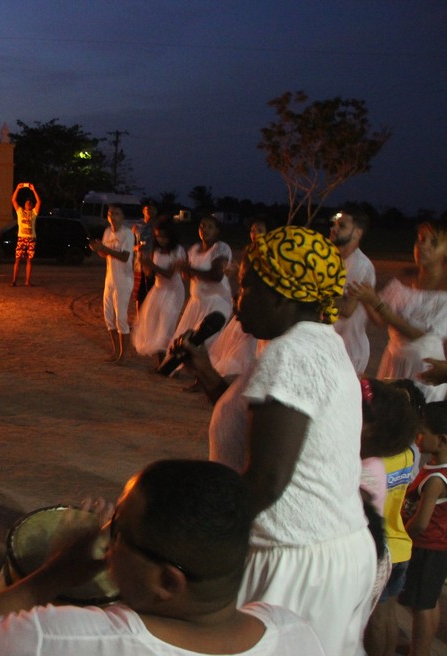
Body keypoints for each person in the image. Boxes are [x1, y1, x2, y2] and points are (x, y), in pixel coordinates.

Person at [179, 226, 375, 656]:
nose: (237, 296)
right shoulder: (314, 343)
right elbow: (263, 430)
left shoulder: (292, 355)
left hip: (295, 558)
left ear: (284, 296)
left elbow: (267, 478)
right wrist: (209, 376)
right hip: (327, 549)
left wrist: (190, 537)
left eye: (247, 286)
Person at [0, 459, 325, 656]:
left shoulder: (62, 637)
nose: (105, 544)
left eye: (117, 533)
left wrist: (54, 574)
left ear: (168, 581)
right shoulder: (296, 634)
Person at [349, 220, 447, 402]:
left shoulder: (444, 291)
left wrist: (375, 302)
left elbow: (417, 333)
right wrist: (363, 297)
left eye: (433, 243)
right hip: (393, 359)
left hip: (425, 367)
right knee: (387, 417)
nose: (422, 246)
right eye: (420, 239)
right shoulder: (404, 278)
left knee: (417, 420)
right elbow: (380, 321)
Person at [362, 379, 424, 656]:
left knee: (374, 623)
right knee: (387, 619)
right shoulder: (407, 455)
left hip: (379, 548)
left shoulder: (372, 464)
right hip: (400, 545)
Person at [399, 402, 447, 656]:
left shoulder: (437, 480)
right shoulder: (438, 470)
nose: (418, 437)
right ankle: (421, 647)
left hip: (428, 548)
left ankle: (419, 651)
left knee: (422, 606)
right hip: (436, 549)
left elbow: (421, 521)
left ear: (441, 440)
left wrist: (403, 534)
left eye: (422, 432)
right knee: (429, 601)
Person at [207, 218, 269, 379]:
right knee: (228, 347)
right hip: (245, 304)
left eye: (260, 231)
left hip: (259, 308)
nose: (255, 235)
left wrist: (238, 275)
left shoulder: (269, 256)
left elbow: (263, 282)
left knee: (244, 351)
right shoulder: (248, 252)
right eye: (253, 231)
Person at [170, 215, 233, 351]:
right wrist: (182, 268)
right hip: (196, 302)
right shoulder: (194, 249)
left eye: (210, 227)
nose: (205, 230)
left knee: (206, 344)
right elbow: (188, 276)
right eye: (202, 226)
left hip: (216, 302)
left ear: (217, 231)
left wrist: (190, 269)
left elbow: (216, 276)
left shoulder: (221, 248)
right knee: (183, 340)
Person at [132, 220, 186, 361]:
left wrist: (152, 266)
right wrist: (144, 264)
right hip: (158, 289)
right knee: (152, 324)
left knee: (166, 327)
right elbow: (150, 274)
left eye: (164, 236)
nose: (161, 239)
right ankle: (162, 361)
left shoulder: (178, 250)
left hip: (173, 291)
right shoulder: (155, 250)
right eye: (158, 236)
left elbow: (170, 274)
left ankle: (170, 361)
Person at [331, 210, 376, 375]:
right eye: (335, 224)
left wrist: (313, 292)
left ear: (357, 233)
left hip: (349, 349)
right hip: (332, 346)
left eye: (341, 226)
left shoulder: (360, 265)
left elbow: (348, 309)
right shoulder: (334, 259)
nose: (334, 229)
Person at [89, 204, 134, 363]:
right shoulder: (108, 232)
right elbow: (104, 253)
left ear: (122, 216)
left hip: (123, 280)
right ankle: (116, 352)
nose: (112, 216)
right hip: (110, 279)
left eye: (116, 213)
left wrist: (104, 249)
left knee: (121, 318)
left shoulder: (127, 234)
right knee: (109, 318)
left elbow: (124, 257)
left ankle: (123, 355)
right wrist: (98, 249)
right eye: (110, 213)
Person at [10, 182, 40, 287]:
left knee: (29, 260)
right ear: (24, 205)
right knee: (17, 259)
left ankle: (27, 281)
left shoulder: (33, 213)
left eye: (29, 203)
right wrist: (17, 188)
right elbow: (13, 200)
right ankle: (14, 280)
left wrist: (33, 190)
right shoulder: (20, 212)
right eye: (26, 203)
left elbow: (39, 202)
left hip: (31, 239)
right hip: (21, 238)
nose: (28, 204)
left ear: (31, 206)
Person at [133, 204, 157, 309]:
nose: (150, 211)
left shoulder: (158, 226)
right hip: (139, 262)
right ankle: (139, 319)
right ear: (143, 211)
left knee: (153, 293)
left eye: (152, 208)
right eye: (148, 209)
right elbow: (129, 244)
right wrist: (136, 248)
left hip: (154, 262)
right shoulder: (137, 226)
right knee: (139, 293)